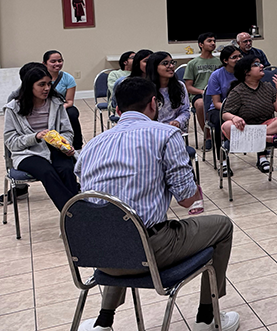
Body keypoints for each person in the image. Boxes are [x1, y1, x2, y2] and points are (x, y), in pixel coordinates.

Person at [75, 77, 239, 331]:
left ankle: (103, 320)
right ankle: (209, 316)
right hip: (148, 252)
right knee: (222, 225)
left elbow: (88, 195)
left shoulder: (92, 145)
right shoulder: (165, 134)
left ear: (117, 109)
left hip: (96, 253)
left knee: (115, 226)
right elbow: (186, 200)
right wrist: (193, 190)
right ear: (153, 103)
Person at [3, 63, 79, 211]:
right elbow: (11, 142)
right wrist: (35, 137)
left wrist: (66, 144)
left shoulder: (56, 103)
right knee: (47, 172)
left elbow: (67, 132)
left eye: (49, 84)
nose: (46, 88)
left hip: (56, 149)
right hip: (27, 153)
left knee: (66, 169)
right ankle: (74, 215)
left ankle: (75, 215)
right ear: (29, 86)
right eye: (41, 84)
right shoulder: (13, 108)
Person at [222, 56, 277, 174]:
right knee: (227, 125)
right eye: (256, 64)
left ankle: (261, 138)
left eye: (260, 63)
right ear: (246, 72)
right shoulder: (238, 91)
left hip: (265, 126)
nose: (262, 66)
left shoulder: (267, 87)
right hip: (244, 128)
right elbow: (225, 113)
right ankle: (269, 139)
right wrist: (234, 117)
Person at [206, 45, 242, 176]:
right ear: (225, 60)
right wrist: (231, 115)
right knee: (218, 122)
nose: (238, 59)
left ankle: (262, 156)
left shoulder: (244, 72)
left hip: (240, 108)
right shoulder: (216, 75)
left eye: (239, 56)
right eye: (234, 57)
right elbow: (216, 103)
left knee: (258, 116)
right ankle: (223, 161)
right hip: (220, 108)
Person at [42, 50, 84, 150]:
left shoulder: (68, 78)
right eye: (53, 61)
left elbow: (69, 101)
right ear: (44, 63)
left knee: (72, 114)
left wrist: (60, 109)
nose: (57, 64)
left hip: (61, 106)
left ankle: (77, 146)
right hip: (43, 106)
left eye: (60, 61)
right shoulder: (40, 78)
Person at [185, 32, 219, 150]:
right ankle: (208, 136)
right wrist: (202, 92)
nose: (213, 43)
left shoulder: (219, 63)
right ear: (201, 44)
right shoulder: (193, 63)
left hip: (217, 94)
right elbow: (188, 87)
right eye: (209, 41)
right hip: (199, 94)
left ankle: (224, 135)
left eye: (214, 41)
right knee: (200, 104)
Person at [146, 52, 191, 133]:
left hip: (173, 130)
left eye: (172, 63)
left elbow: (185, 111)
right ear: (154, 67)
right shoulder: (146, 88)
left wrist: (178, 121)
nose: (171, 66)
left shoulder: (180, 86)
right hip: (152, 131)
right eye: (165, 63)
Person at [109, 49, 152, 115]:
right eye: (133, 58)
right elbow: (115, 93)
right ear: (125, 62)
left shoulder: (154, 79)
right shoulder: (117, 75)